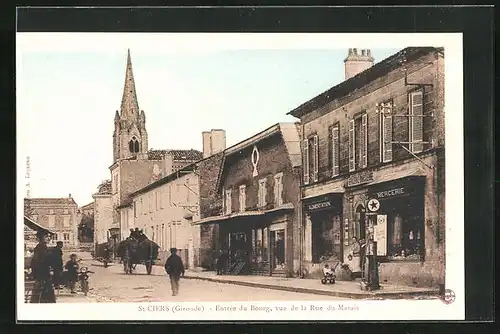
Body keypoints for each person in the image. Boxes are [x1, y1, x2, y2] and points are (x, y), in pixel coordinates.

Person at [29, 230, 56, 303]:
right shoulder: (40, 248)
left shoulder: (44, 247)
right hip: (42, 276)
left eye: (49, 237)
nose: (49, 238)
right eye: (46, 236)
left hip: (44, 275)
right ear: (41, 238)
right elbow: (35, 262)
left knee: (43, 297)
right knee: (41, 297)